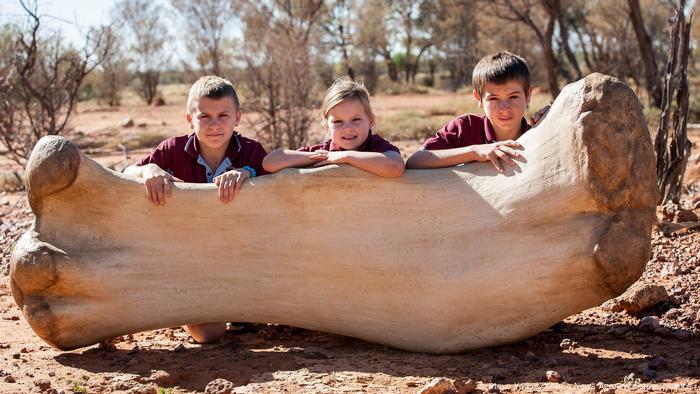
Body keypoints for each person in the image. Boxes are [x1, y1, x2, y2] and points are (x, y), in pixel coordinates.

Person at [124, 75, 267, 343]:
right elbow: (126, 172)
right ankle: (187, 299)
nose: (214, 125)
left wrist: (247, 172)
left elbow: (275, 180)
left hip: (241, 252)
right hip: (188, 254)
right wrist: (149, 170)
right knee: (208, 334)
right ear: (190, 119)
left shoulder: (251, 152)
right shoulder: (172, 150)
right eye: (205, 116)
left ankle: (238, 305)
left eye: (223, 115)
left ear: (238, 117)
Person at [406, 51, 548, 172]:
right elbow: (415, 161)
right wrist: (474, 152)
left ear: (528, 94)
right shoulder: (465, 128)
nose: (504, 108)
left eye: (513, 97)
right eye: (493, 98)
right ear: (478, 98)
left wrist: (553, 119)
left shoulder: (537, 132)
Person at [263, 77, 404, 178]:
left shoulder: (377, 146)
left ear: (371, 121)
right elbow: (270, 162)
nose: (348, 128)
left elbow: (395, 167)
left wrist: (345, 157)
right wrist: (321, 157)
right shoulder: (324, 151)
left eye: (356, 119)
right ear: (326, 126)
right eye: (338, 122)